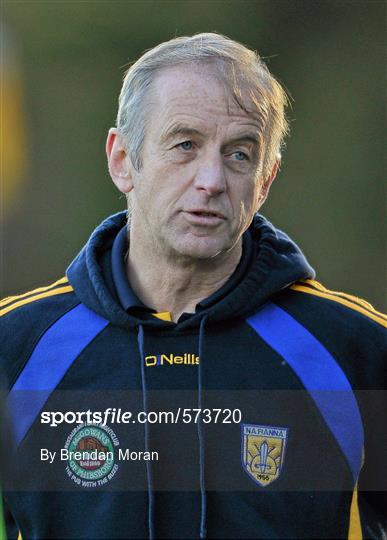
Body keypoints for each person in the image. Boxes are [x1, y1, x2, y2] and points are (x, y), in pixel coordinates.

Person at [1, 32, 386, 540]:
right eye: (185, 145)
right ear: (122, 160)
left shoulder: (359, 350)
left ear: (265, 181)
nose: (212, 179)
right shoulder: (15, 347)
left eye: (240, 154)